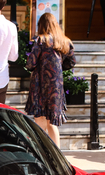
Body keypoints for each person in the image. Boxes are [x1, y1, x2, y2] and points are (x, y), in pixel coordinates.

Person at [24, 13, 76, 147]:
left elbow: (31, 63)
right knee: (52, 123)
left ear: (42, 25)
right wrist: (57, 68)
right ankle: (56, 155)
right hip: (56, 86)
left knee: (40, 122)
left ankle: (41, 154)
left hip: (40, 84)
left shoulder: (41, 40)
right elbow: (71, 62)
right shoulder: (64, 41)